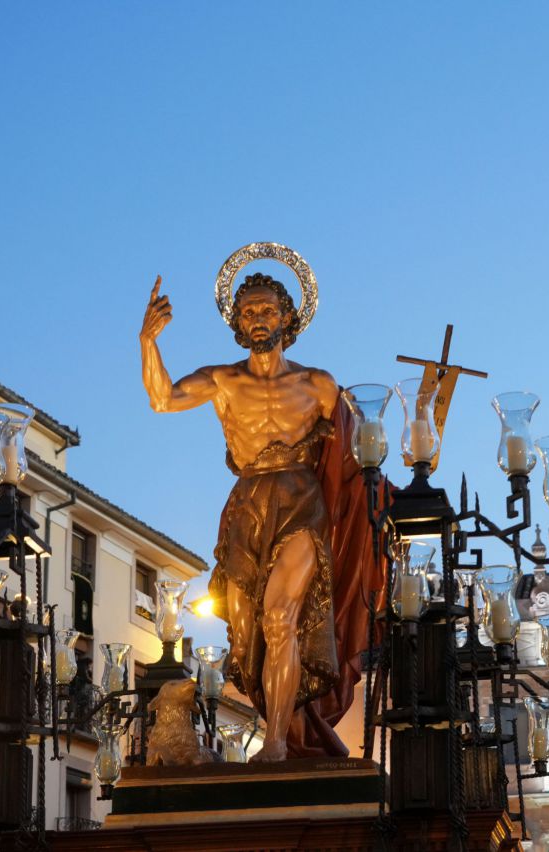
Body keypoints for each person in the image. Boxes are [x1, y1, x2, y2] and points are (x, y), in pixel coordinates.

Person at [141, 271, 379, 762]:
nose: (257, 319)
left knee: (279, 617)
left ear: (287, 318)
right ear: (237, 321)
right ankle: (281, 723)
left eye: (267, 310)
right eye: (248, 312)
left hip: (301, 502)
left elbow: (359, 452)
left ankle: (275, 743)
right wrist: (149, 342)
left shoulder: (317, 384)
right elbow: (162, 399)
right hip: (247, 507)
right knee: (249, 634)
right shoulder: (223, 380)